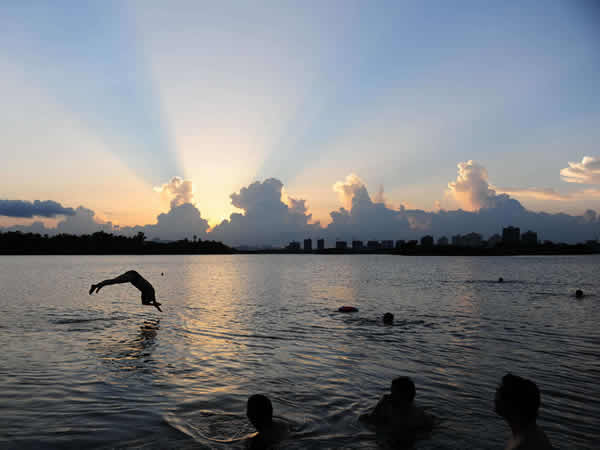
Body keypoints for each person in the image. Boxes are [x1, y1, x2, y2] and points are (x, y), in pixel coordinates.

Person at [494, 373, 553, 450]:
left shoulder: (525, 444)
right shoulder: (529, 432)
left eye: (500, 392)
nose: (495, 396)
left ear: (512, 404)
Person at [360, 376, 433, 431]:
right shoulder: (420, 414)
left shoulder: (412, 417)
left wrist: (379, 406)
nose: (389, 396)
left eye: (393, 393)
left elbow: (370, 421)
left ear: (403, 396)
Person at [89, 270, 162, 312]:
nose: (143, 299)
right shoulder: (151, 292)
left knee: (114, 281)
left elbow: (144, 303)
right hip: (133, 276)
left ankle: (99, 285)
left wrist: (155, 305)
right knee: (114, 281)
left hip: (132, 276)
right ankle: (97, 285)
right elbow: (152, 303)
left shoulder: (145, 292)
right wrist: (156, 306)